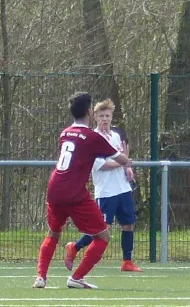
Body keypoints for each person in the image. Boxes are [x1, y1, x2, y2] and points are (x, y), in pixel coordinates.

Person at [32, 92, 131, 289]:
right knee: (103, 236)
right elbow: (122, 160)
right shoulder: (92, 137)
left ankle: (41, 277)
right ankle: (77, 277)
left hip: (54, 188)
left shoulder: (65, 132)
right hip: (75, 192)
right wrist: (126, 158)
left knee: (53, 233)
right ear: (88, 111)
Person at [64, 99, 142, 273]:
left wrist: (128, 168)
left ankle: (127, 261)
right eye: (101, 116)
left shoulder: (116, 136)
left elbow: (123, 156)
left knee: (128, 224)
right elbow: (101, 165)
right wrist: (122, 162)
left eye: (107, 115)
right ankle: (75, 247)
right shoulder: (92, 137)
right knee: (101, 229)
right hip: (106, 191)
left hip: (123, 189)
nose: (104, 119)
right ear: (95, 116)